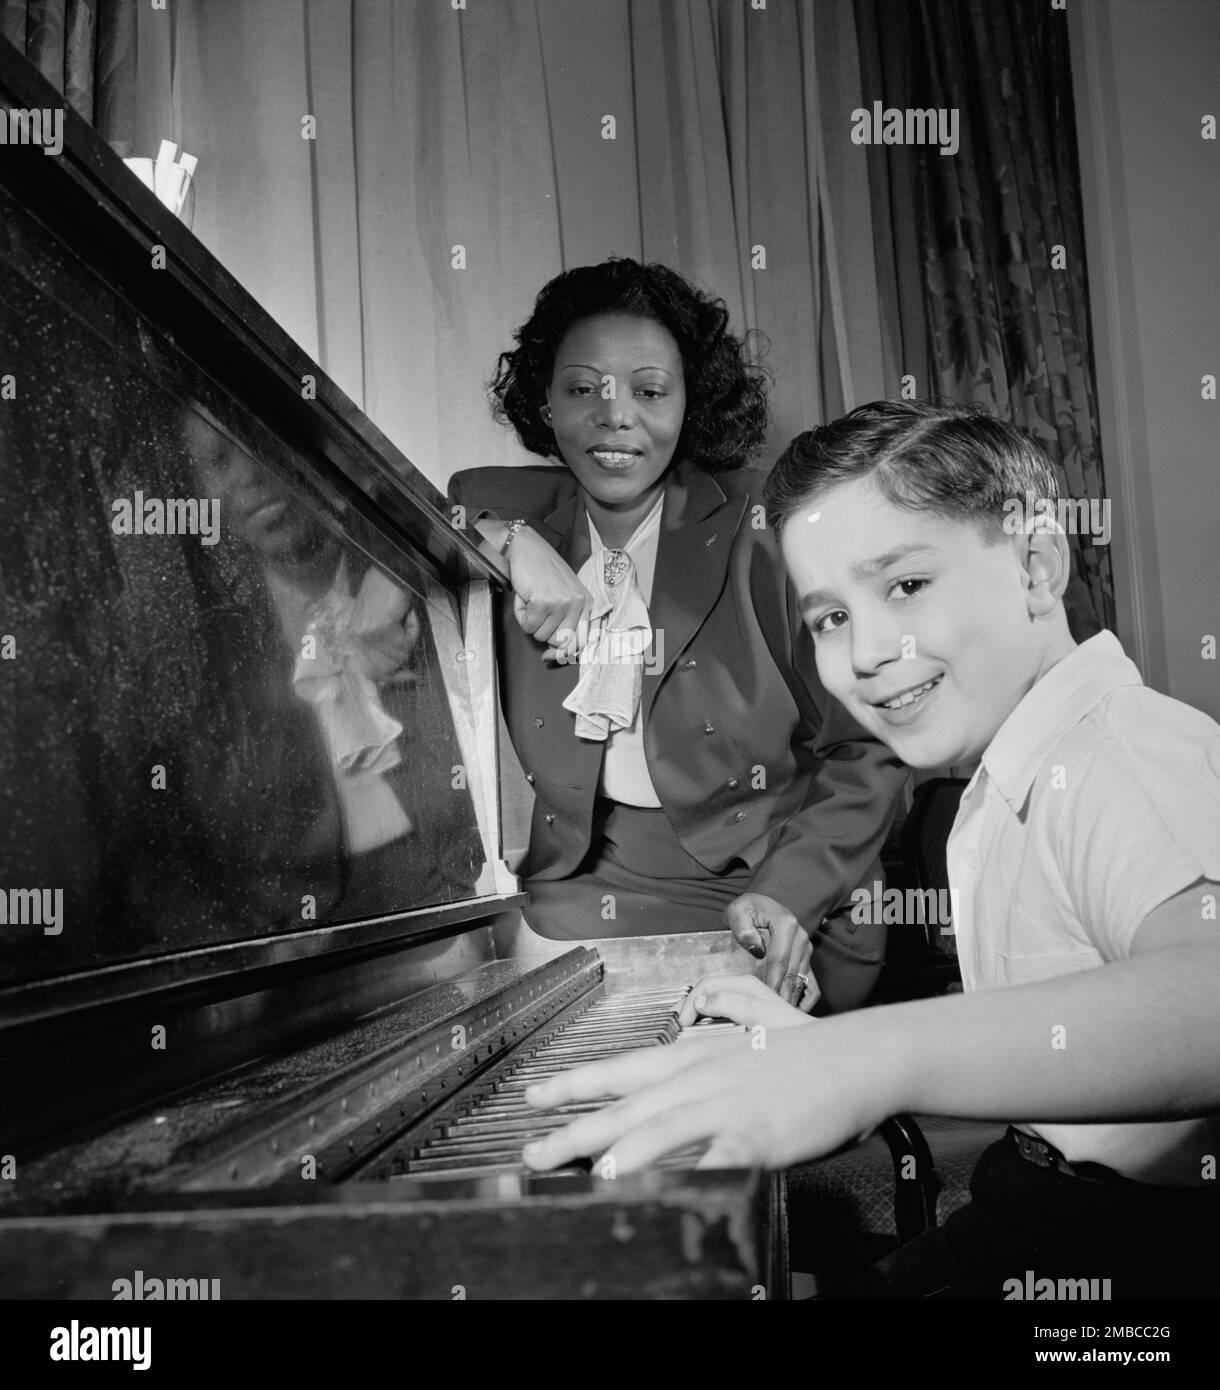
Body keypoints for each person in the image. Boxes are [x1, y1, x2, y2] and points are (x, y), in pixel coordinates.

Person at [520, 400, 1220, 1299]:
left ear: (1039, 565)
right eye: (828, 619)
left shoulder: (1121, 755)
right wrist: (812, 1049)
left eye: (906, 587)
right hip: (1049, 1202)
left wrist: (865, 1060)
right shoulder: (1009, 768)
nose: (867, 654)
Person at [449, 260, 907, 1013]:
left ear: (691, 402)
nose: (615, 416)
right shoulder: (505, 505)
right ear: (545, 400)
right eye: (582, 388)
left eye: (650, 391)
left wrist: (791, 893)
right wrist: (509, 541)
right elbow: (435, 510)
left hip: (776, 885)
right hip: (586, 887)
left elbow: (866, 747)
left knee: (704, 1081)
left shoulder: (770, 528)